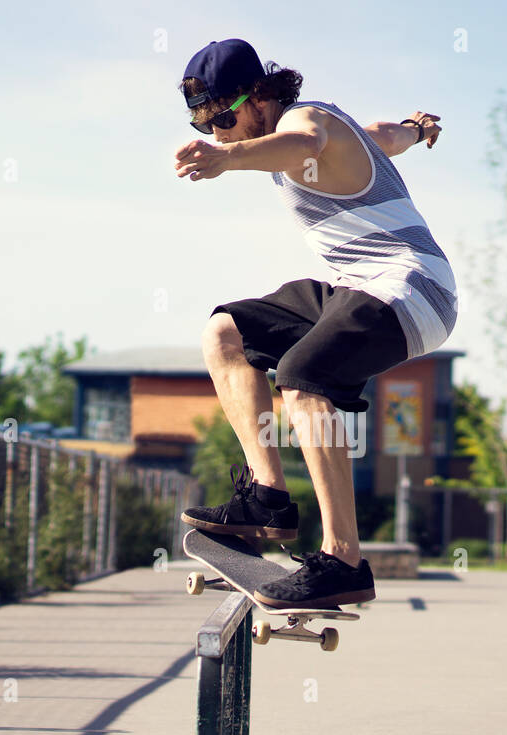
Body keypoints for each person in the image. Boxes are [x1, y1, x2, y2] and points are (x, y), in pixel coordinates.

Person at [174, 38, 456, 609]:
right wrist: (416, 129)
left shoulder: (305, 120)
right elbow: (383, 136)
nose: (220, 135)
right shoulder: (329, 136)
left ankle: (342, 560)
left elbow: (307, 140)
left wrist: (229, 162)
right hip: (357, 287)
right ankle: (267, 497)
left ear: (260, 100)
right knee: (226, 332)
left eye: (226, 120)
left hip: (413, 286)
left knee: (303, 376)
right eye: (207, 128)